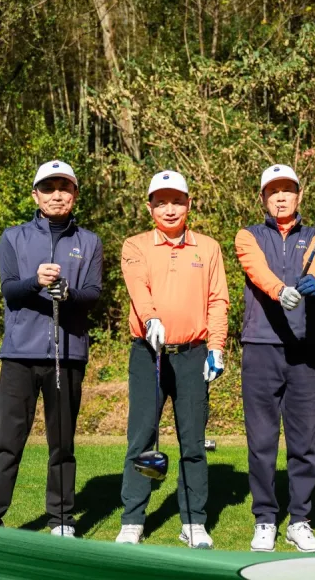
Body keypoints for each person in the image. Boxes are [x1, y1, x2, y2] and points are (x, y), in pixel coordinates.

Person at [0, 160, 103, 536]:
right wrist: (36, 281)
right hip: (20, 355)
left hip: (68, 355)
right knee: (8, 442)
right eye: (48, 188)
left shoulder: (89, 242)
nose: (57, 195)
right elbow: (10, 289)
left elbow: (92, 294)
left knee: (62, 444)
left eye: (64, 187)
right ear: (35, 195)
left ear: (75, 194)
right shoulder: (13, 237)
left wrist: (69, 294)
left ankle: (61, 519)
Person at [116, 170, 229, 549]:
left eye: (177, 201)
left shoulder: (208, 248)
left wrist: (216, 347)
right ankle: (133, 520)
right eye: (161, 202)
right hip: (148, 354)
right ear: (149, 207)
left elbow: (218, 300)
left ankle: (194, 522)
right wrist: (151, 320)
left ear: (189, 204)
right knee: (142, 438)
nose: (169, 209)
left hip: (192, 355)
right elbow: (138, 288)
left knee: (193, 442)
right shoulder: (135, 245)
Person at [234, 164, 315, 553]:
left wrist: (312, 282)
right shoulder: (248, 235)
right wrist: (280, 290)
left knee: (305, 440)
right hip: (261, 347)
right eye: (272, 191)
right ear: (262, 198)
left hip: (307, 349)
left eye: (287, 190)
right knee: (261, 440)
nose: (280, 197)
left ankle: (300, 520)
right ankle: (265, 519)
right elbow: (255, 269)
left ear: (299, 195)